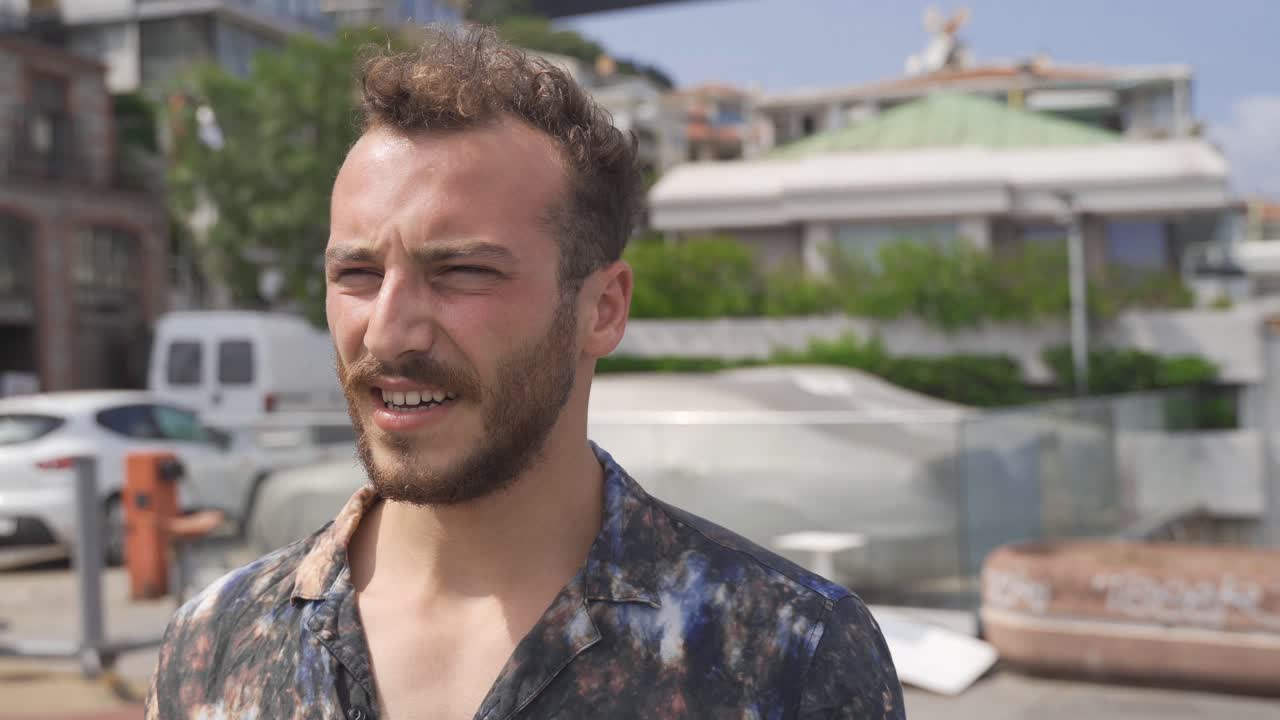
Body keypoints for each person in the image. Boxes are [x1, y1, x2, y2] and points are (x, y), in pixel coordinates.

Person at [147, 26, 904, 720]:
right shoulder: (215, 645)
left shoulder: (784, 656)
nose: (387, 329)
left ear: (603, 308)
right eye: (356, 273)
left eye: (464, 272)